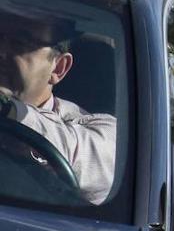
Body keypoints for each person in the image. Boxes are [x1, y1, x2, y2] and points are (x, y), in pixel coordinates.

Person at [0, 12, 115, 205]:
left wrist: (6, 110)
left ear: (58, 68)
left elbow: (79, 154)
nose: (1, 52)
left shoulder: (100, 132)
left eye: (19, 43)